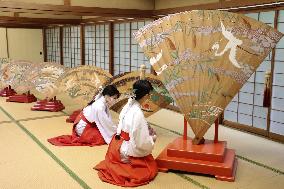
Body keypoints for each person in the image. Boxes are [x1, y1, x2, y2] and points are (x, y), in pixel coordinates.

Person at [95, 80, 158, 187]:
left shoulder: (128, 105)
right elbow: (141, 143)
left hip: (116, 144)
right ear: (146, 95)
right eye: (149, 95)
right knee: (150, 167)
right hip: (125, 149)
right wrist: (152, 138)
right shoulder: (137, 113)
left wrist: (145, 129)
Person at [48, 85, 120, 146]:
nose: (115, 100)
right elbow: (106, 124)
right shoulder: (99, 106)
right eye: (114, 98)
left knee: (106, 132)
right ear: (107, 96)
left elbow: (106, 121)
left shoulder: (102, 100)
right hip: (83, 128)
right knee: (102, 138)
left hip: (84, 122)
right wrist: (117, 131)